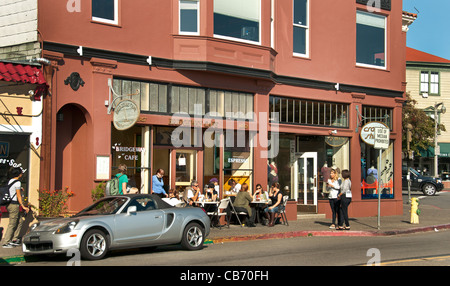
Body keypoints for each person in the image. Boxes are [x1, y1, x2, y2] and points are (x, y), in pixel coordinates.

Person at [2, 168, 29, 248]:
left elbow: (12, 190)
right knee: (12, 223)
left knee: (20, 221)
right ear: (19, 174)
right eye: (21, 173)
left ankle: (14, 239)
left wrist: (20, 189)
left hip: (10, 204)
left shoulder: (10, 181)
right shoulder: (18, 183)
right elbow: (18, 196)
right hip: (13, 204)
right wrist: (23, 206)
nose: (22, 174)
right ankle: (6, 242)